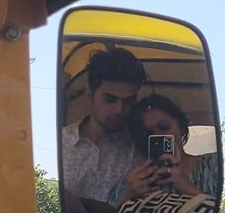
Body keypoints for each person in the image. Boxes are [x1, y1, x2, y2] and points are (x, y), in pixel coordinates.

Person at [62, 47, 159, 203]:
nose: (120, 110)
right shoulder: (61, 143)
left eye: (128, 101)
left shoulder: (140, 148)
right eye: (109, 99)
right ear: (90, 95)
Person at [109, 94, 218, 206]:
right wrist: (127, 195)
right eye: (148, 134)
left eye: (164, 127)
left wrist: (186, 186)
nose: (158, 136)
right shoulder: (133, 182)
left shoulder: (214, 165)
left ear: (181, 127)